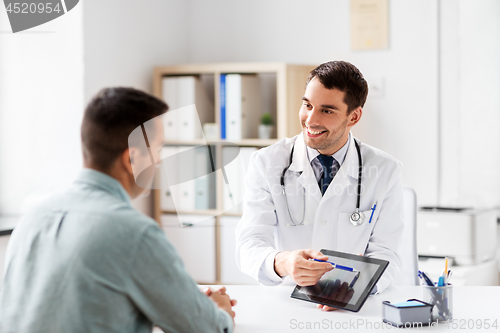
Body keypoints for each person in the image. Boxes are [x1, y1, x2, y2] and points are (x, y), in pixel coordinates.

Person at [0, 88, 236, 332]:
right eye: (158, 150)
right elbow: (206, 328)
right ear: (131, 159)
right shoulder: (134, 233)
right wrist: (220, 310)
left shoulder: (33, 219)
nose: (158, 162)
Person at [235, 61, 404, 311]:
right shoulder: (266, 163)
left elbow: (388, 254)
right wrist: (283, 262)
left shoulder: (386, 170)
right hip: (285, 304)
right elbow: (249, 244)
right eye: (307, 105)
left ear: (354, 116)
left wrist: (356, 285)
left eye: (327, 110)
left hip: (352, 307)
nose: (310, 120)